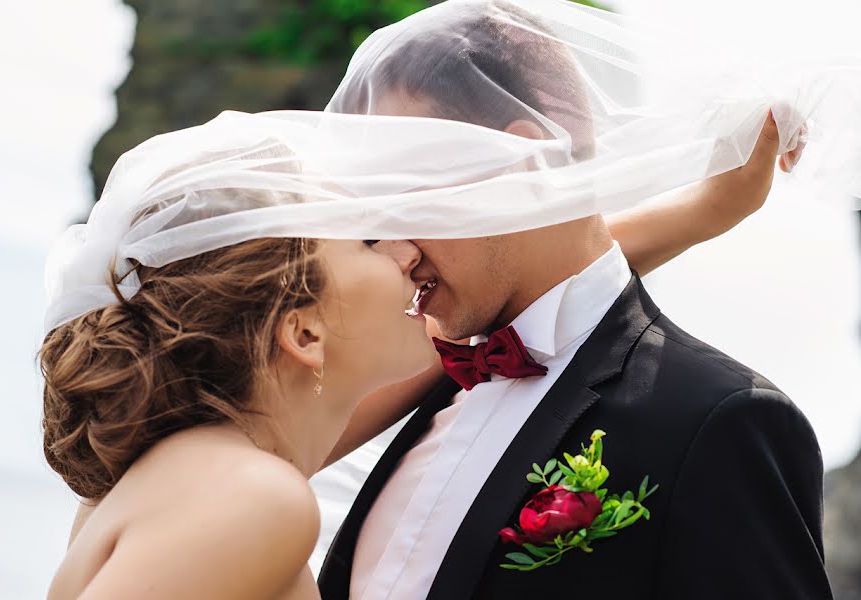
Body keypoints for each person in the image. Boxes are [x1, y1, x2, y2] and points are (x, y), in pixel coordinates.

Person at [40, 110, 800, 599]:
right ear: (303, 335)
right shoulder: (251, 498)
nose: (405, 250)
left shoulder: (184, 465)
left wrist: (697, 216)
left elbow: (535, 311)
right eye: (367, 239)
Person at [317, 2, 831, 599]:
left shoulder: (720, 421)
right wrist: (699, 215)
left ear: (524, 161)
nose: (392, 251)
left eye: (403, 199)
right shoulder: (417, 390)